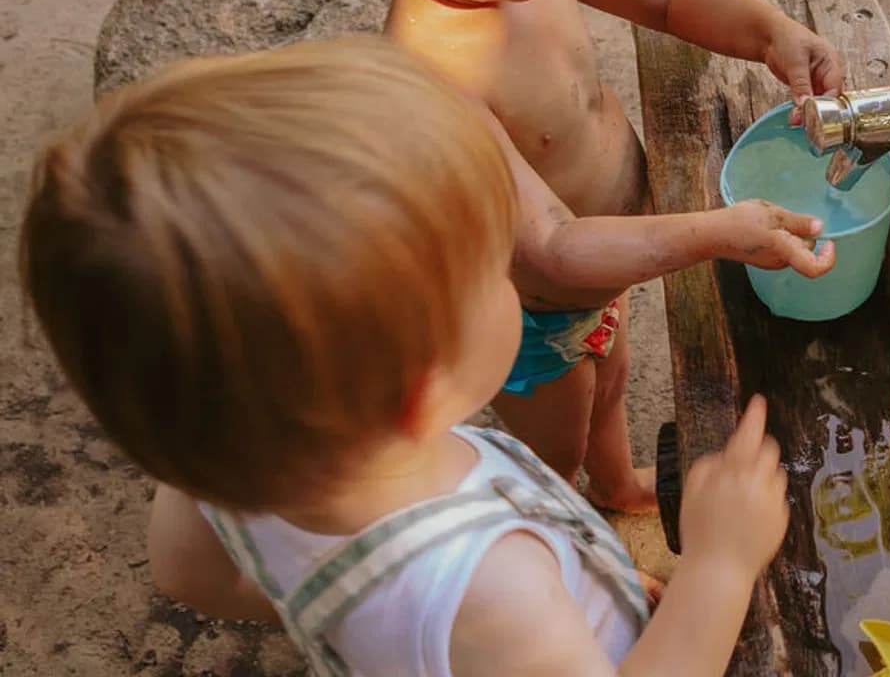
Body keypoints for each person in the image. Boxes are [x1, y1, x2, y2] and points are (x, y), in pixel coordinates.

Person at [19, 37, 813, 674]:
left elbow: (189, 577)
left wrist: (387, 622)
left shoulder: (226, 457)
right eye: (497, 272)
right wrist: (717, 565)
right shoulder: (493, 590)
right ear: (422, 394)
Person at [269, 0, 845, 512]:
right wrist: (719, 233)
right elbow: (551, 246)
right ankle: (565, 541)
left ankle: (615, 485)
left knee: (611, 389)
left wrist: (769, 33)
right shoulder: (434, 77)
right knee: (553, 456)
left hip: (607, 269)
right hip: (532, 323)